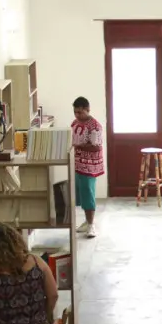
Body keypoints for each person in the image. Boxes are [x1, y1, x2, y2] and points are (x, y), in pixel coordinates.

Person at [71, 97, 104, 238]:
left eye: (80, 112)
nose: (77, 115)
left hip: (89, 166)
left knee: (88, 193)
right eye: (75, 112)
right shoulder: (74, 123)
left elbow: (96, 147)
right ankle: (86, 221)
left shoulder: (95, 126)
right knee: (81, 194)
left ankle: (91, 225)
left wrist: (79, 146)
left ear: (87, 110)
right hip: (78, 163)